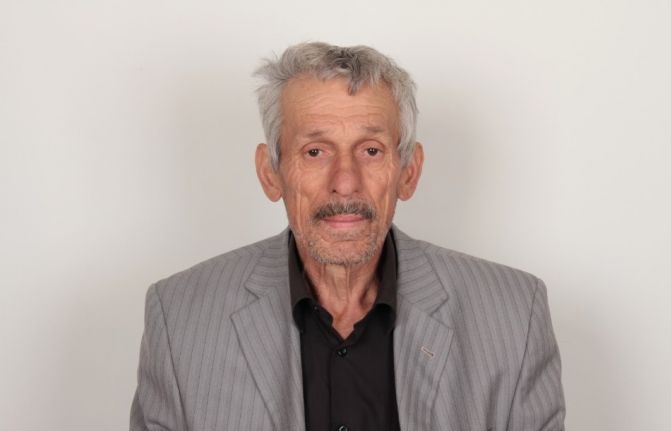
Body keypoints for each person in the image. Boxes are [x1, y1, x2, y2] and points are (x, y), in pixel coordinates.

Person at [130, 42, 565, 431]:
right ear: (271, 173)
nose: (345, 182)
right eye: (315, 151)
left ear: (408, 173)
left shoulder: (514, 317)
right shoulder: (179, 319)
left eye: (371, 150)